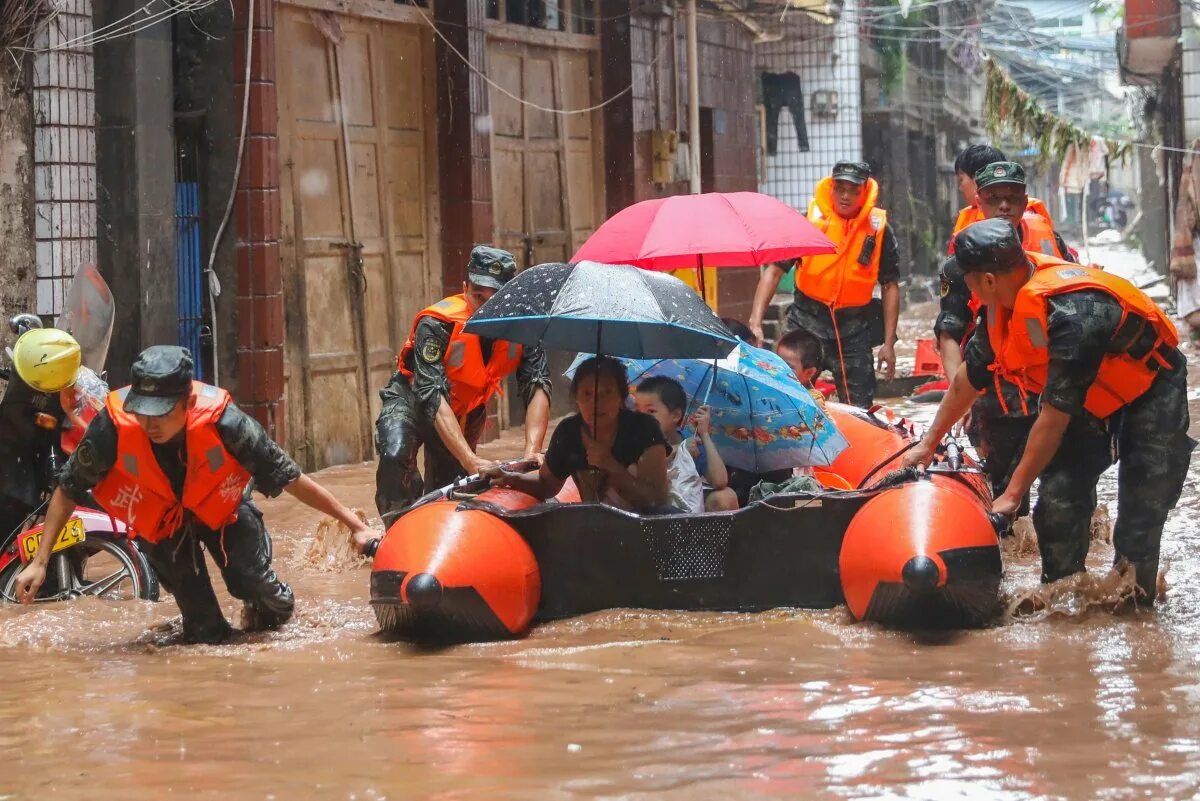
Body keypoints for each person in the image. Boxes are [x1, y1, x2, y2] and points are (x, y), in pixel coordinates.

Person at [905, 220, 1195, 604]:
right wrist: (928, 443)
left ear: (988, 280)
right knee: (1057, 499)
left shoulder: (1071, 315)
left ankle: (1136, 606)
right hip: (1090, 395)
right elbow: (967, 380)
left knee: (1141, 511)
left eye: (968, 280)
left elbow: (1053, 418)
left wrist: (1010, 495)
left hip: (1150, 389)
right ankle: (1063, 607)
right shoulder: (1001, 311)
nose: (965, 288)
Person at [13, 346, 384, 643]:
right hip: (162, 523)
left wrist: (354, 525)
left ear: (188, 402)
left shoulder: (229, 424)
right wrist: (41, 561)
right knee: (204, 634)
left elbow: (292, 478)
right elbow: (67, 488)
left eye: (161, 413)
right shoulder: (111, 426)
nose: (149, 424)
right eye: (142, 412)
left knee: (253, 589)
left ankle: (275, 609)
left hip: (223, 510)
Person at [374, 246, 552, 527]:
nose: (486, 308)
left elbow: (537, 384)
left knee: (448, 490)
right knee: (396, 454)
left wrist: (532, 452)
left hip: (465, 411)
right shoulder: (436, 324)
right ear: (465, 287)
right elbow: (431, 394)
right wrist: (470, 459)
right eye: (478, 296)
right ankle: (396, 531)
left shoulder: (525, 327)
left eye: (497, 299)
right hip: (411, 401)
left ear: (511, 296)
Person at [936, 162, 1077, 509]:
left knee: (1066, 493)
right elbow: (949, 333)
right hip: (995, 394)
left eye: (1012, 198)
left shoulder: (1050, 246)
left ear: (1025, 200)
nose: (1003, 206)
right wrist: (961, 397)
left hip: (1051, 388)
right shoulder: (960, 264)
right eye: (994, 198)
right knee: (1004, 498)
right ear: (978, 202)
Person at [748, 160, 900, 408]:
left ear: (865, 192)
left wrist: (889, 343)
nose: (845, 196)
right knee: (784, 397)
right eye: (840, 188)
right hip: (806, 322)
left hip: (853, 329)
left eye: (853, 190)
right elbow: (774, 271)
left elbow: (890, 285)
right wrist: (755, 322)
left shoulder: (880, 231)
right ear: (830, 187)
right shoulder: (807, 221)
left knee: (859, 407)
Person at [486, 356, 670, 513]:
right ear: (576, 398)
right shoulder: (568, 433)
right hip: (595, 529)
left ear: (621, 398)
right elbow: (547, 484)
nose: (596, 402)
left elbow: (656, 501)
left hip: (645, 530)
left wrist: (610, 465)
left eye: (606, 392)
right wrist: (510, 477)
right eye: (587, 394)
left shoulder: (644, 429)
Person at [633, 376, 737, 513]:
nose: (641, 418)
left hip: (685, 513)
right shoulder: (633, 440)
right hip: (646, 511)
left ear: (675, 415)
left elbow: (720, 480)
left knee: (725, 496)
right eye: (637, 411)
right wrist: (676, 451)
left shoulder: (690, 443)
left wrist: (704, 433)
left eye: (651, 411)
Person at [775, 328, 829, 410]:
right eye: (777, 362)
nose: (779, 369)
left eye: (787, 367)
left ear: (809, 372)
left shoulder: (813, 402)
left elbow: (824, 422)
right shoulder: (774, 385)